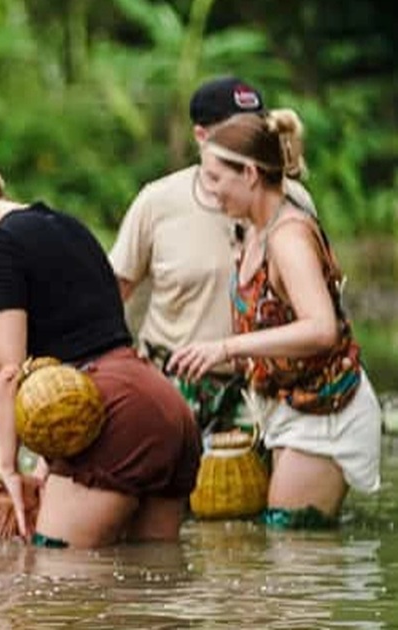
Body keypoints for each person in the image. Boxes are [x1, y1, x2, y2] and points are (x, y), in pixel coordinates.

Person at [0, 140, 201, 549]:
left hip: (112, 413)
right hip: (166, 408)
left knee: (54, 579)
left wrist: (7, 469)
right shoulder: (67, 224)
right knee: (151, 581)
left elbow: (7, 370)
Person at [167, 110, 382, 528]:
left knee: (292, 550)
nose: (208, 193)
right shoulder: (251, 230)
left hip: (326, 412)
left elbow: (322, 328)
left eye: (214, 178)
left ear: (249, 173)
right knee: (281, 554)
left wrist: (226, 348)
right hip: (289, 408)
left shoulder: (288, 237)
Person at [110, 76, 317, 436]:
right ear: (202, 137)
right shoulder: (158, 202)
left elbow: (317, 313)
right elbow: (111, 295)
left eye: (257, 129)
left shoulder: (291, 202)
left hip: (262, 389)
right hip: (174, 388)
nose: (250, 141)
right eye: (236, 132)